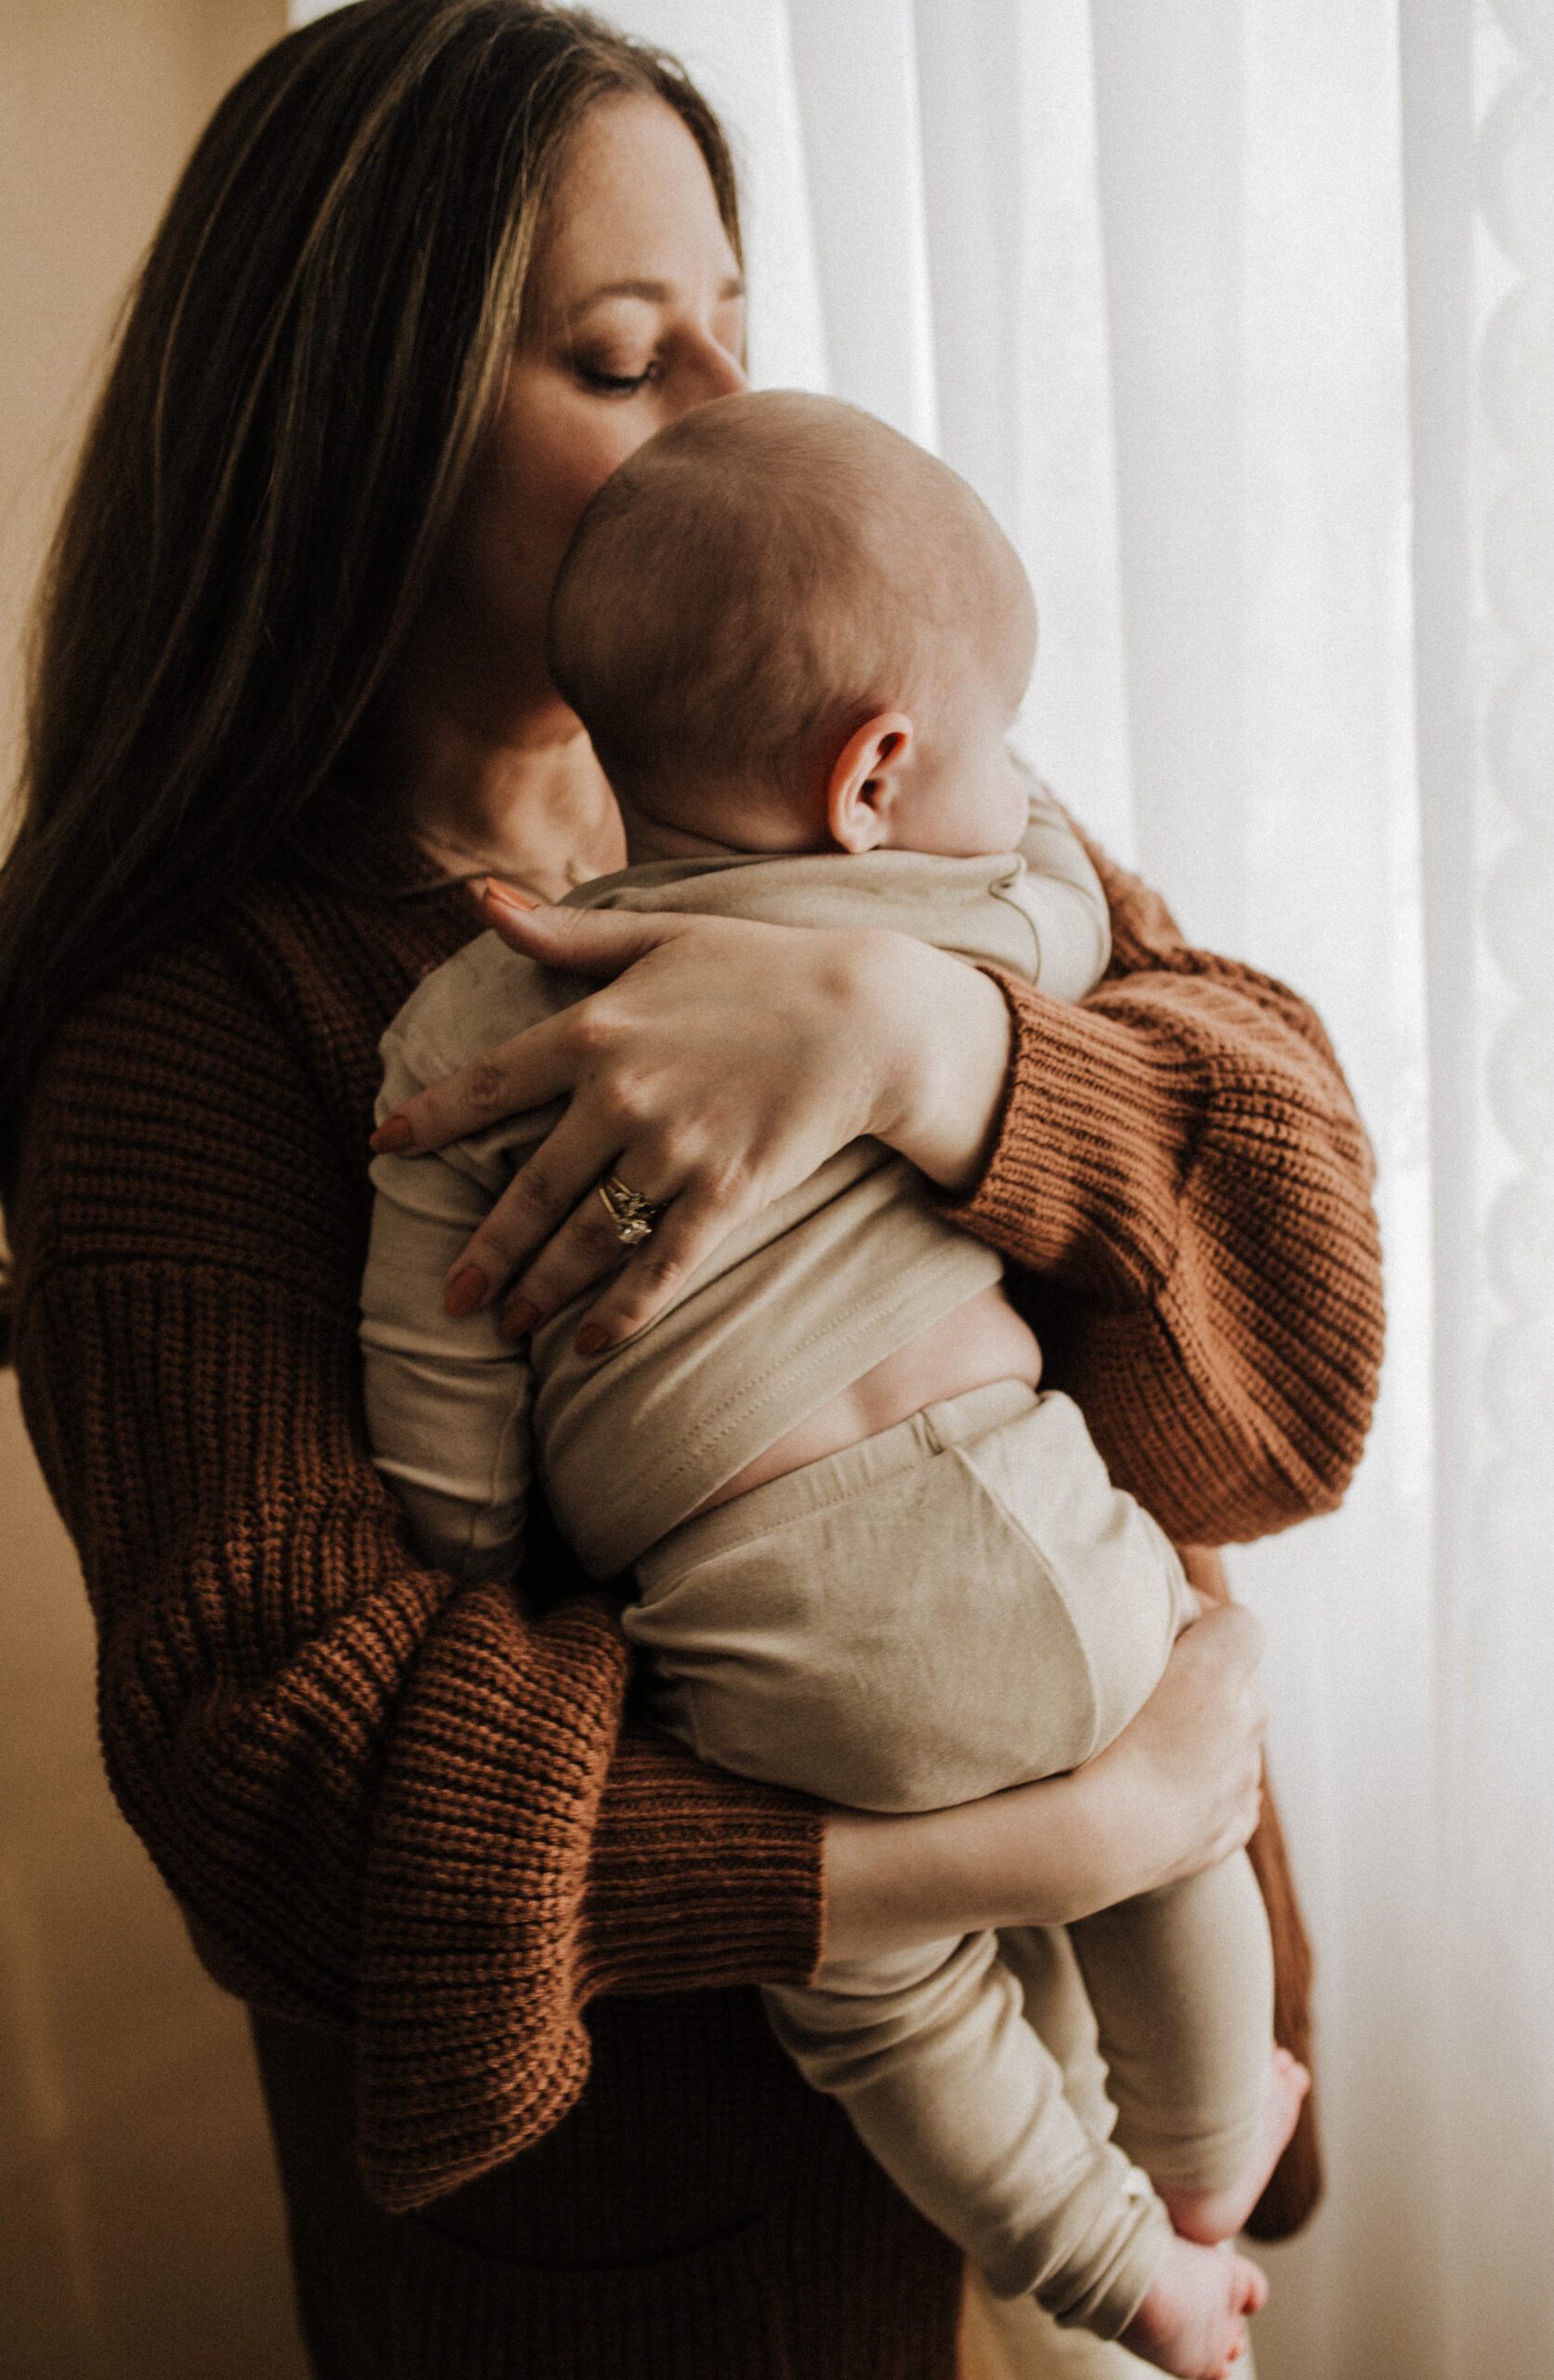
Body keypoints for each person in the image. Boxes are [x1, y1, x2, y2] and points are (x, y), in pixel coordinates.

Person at [0, 6, 1381, 2375]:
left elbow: (1298, 1334)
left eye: (735, 336)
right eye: (625, 358)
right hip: (660, 2262)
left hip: (1142, 2063)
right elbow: (292, 1791)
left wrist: (943, 1048)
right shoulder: (200, 1038)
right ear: (363, 433)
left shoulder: (873, 793)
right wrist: (1007, 1850)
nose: (729, 425)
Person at [359, 389, 1306, 2379]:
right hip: (1052, 1539)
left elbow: (436, 1324)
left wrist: (463, 1530)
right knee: (1176, 1839)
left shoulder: (465, 1011)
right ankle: (1213, 2163)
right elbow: (1064, 903)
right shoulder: (969, 912)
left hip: (773, 1651)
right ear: (876, 774)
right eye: (625, 349)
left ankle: (1130, 2269)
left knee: (888, 2006)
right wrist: (947, 968)